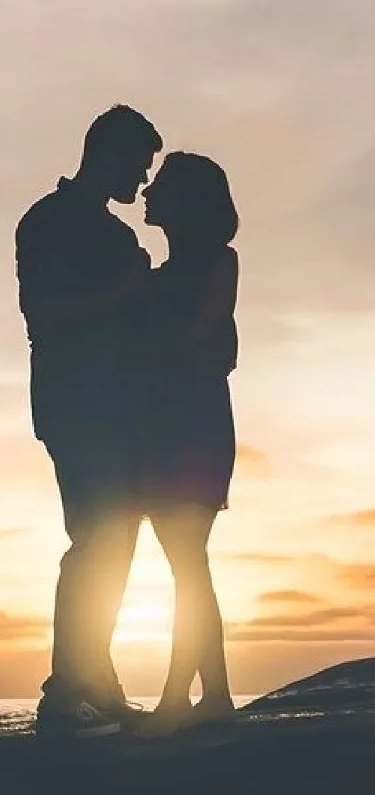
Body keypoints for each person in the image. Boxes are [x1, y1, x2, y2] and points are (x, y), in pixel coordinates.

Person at [16, 105, 162, 738]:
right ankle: (64, 691)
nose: (144, 178)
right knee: (94, 539)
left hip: (119, 406)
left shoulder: (117, 234)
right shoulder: (48, 221)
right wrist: (124, 295)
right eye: (140, 163)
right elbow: (43, 312)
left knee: (116, 540)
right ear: (108, 153)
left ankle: (96, 684)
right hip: (75, 403)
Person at [139, 152, 239, 737]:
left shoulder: (217, 262)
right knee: (187, 564)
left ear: (189, 200)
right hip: (164, 425)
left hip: (194, 426)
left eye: (162, 185)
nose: (148, 192)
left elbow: (197, 337)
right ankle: (216, 694)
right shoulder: (151, 275)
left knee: (187, 561)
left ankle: (182, 695)